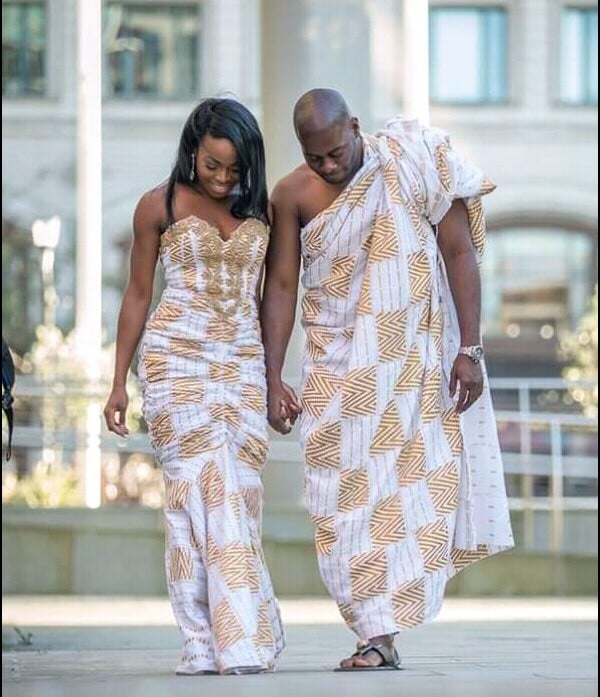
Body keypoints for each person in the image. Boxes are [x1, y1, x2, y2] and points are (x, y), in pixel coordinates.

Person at [260, 89, 514, 671]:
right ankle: (374, 629)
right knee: (337, 503)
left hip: (408, 370)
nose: (327, 165)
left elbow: (458, 252)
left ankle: (378, 636)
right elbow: (280, 286)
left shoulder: (412, 161)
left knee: (408, 495)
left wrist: (470, 350)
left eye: (334, 151)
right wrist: (272, 376)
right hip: (333, 371)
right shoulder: (291, 194)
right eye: (314, 156)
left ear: (354, 126)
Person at [104, 98, 284, 676]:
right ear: (192, 151)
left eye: (235, 168)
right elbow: (137, 294)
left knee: (241, 496)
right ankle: (204, 642)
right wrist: (117, 384)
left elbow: (271, 298)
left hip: (242, 365)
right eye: (212, 165)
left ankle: (239, 631)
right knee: (189, 500)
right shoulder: (156, 206)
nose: (224, 178)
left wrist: (275, 376)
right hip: (175, 361)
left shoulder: (262, 209)